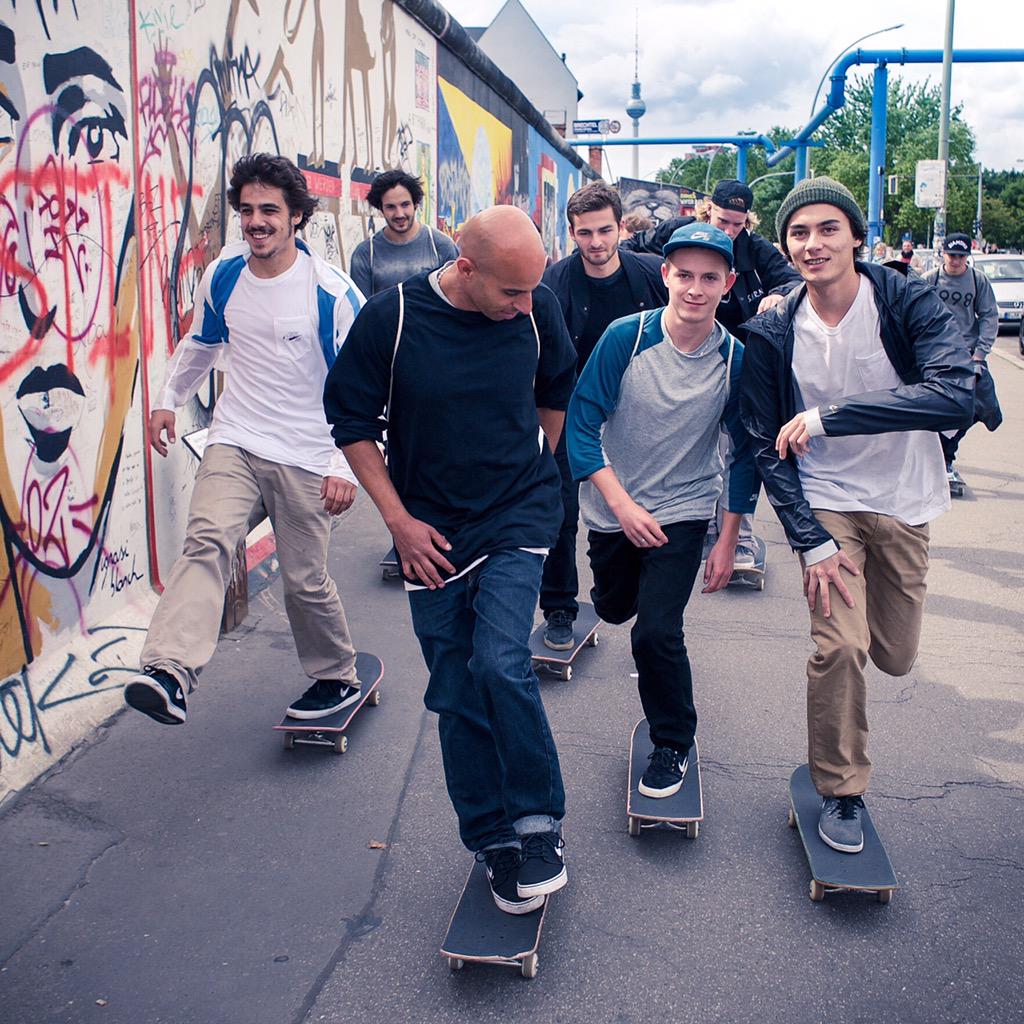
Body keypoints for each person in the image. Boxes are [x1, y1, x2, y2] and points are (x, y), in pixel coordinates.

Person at [324, 206, 576, 915]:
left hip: (518, 514)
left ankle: (537, 823)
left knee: (500, 659)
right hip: (430, 530)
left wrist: (539, 465)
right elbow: (350, 420)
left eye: (532, 292)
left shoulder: (537, 306)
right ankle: (491, 836)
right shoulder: (392, 319)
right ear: (466, 269)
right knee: (457, 688)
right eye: (511, 293)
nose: (526, 306)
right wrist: (398, 521)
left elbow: (556, 388)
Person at [740, 177, 973, 853]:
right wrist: (807, 538)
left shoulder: (906, 299)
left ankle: (855, 702)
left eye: (827, 229)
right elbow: (764, 440)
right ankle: (842, 791)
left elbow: (955, 395)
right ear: (787, 245)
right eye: (799, 233)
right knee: (839, 647)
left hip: (903, 501)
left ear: (856, 236)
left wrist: (830, 418)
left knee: (894, 657)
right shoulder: (774, 325)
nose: (813, 245)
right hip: (828, 504)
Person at [123, 154, 365, 726]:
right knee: (206, 541)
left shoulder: (329, 293)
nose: (256, 221)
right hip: (236, 439)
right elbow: (202, 344)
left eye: (270, 211)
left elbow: (360, 389)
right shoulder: (225, 275)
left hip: (307, 453)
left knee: (305, 582)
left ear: (297, 217)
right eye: (248, 210)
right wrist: (167, 399)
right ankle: (170, 671)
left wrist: (343, 465)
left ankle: (337, 676)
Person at [567, 222, 757, 797]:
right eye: (685, 276)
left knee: (656, 632)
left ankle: (672, 741)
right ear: (666, 276)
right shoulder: (626, 337)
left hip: (684, 506)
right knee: (615, 607)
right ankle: (614, 596)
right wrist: (620, 506)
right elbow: (580, 426)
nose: (695, 289)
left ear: (728, 284)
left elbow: (744, 453)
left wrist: (727, 539)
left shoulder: (736, 360)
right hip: (613, 508)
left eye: (709, 278)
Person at [539, 182, 668, 650]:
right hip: (572, 413)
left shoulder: (652, 274)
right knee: (558, 513)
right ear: (572, 233)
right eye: (585, 233)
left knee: (638, 508)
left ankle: (627, 593)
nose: (596, 242)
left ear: (619, 228)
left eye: (604, 231)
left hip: (639, 413)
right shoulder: (553, 284)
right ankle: (558, 606)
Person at [697, 179, 803, 570]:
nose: (728, 232)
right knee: (703, 446)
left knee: (739, 448)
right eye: (723, 221)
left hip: (741, 362)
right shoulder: (687, 237)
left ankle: (739, 533)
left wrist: (779, 295)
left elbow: (792, 279)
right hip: (694, 359)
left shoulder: (755, 250)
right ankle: (705, 523)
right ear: (709, 209)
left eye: (737, 225)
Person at [921, 233, 1002, 482]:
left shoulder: (977, 281)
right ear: (943, 254)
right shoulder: (930, 279)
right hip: (936, 354)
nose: (956, 261)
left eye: (961, 256)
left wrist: (980, 354)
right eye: (952, 255)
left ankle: (947, 450)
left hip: (968, 355)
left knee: (979, 407)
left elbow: (989, 316)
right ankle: (941, 458)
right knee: (935, 408)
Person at [349, 169, 458, 296]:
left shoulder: (441, 246)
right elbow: (362, 309)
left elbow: (456, 299)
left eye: (405, 205)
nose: (399, 214)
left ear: (416, 204)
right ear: (380, 209)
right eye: (391, 207)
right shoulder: (366, 254)